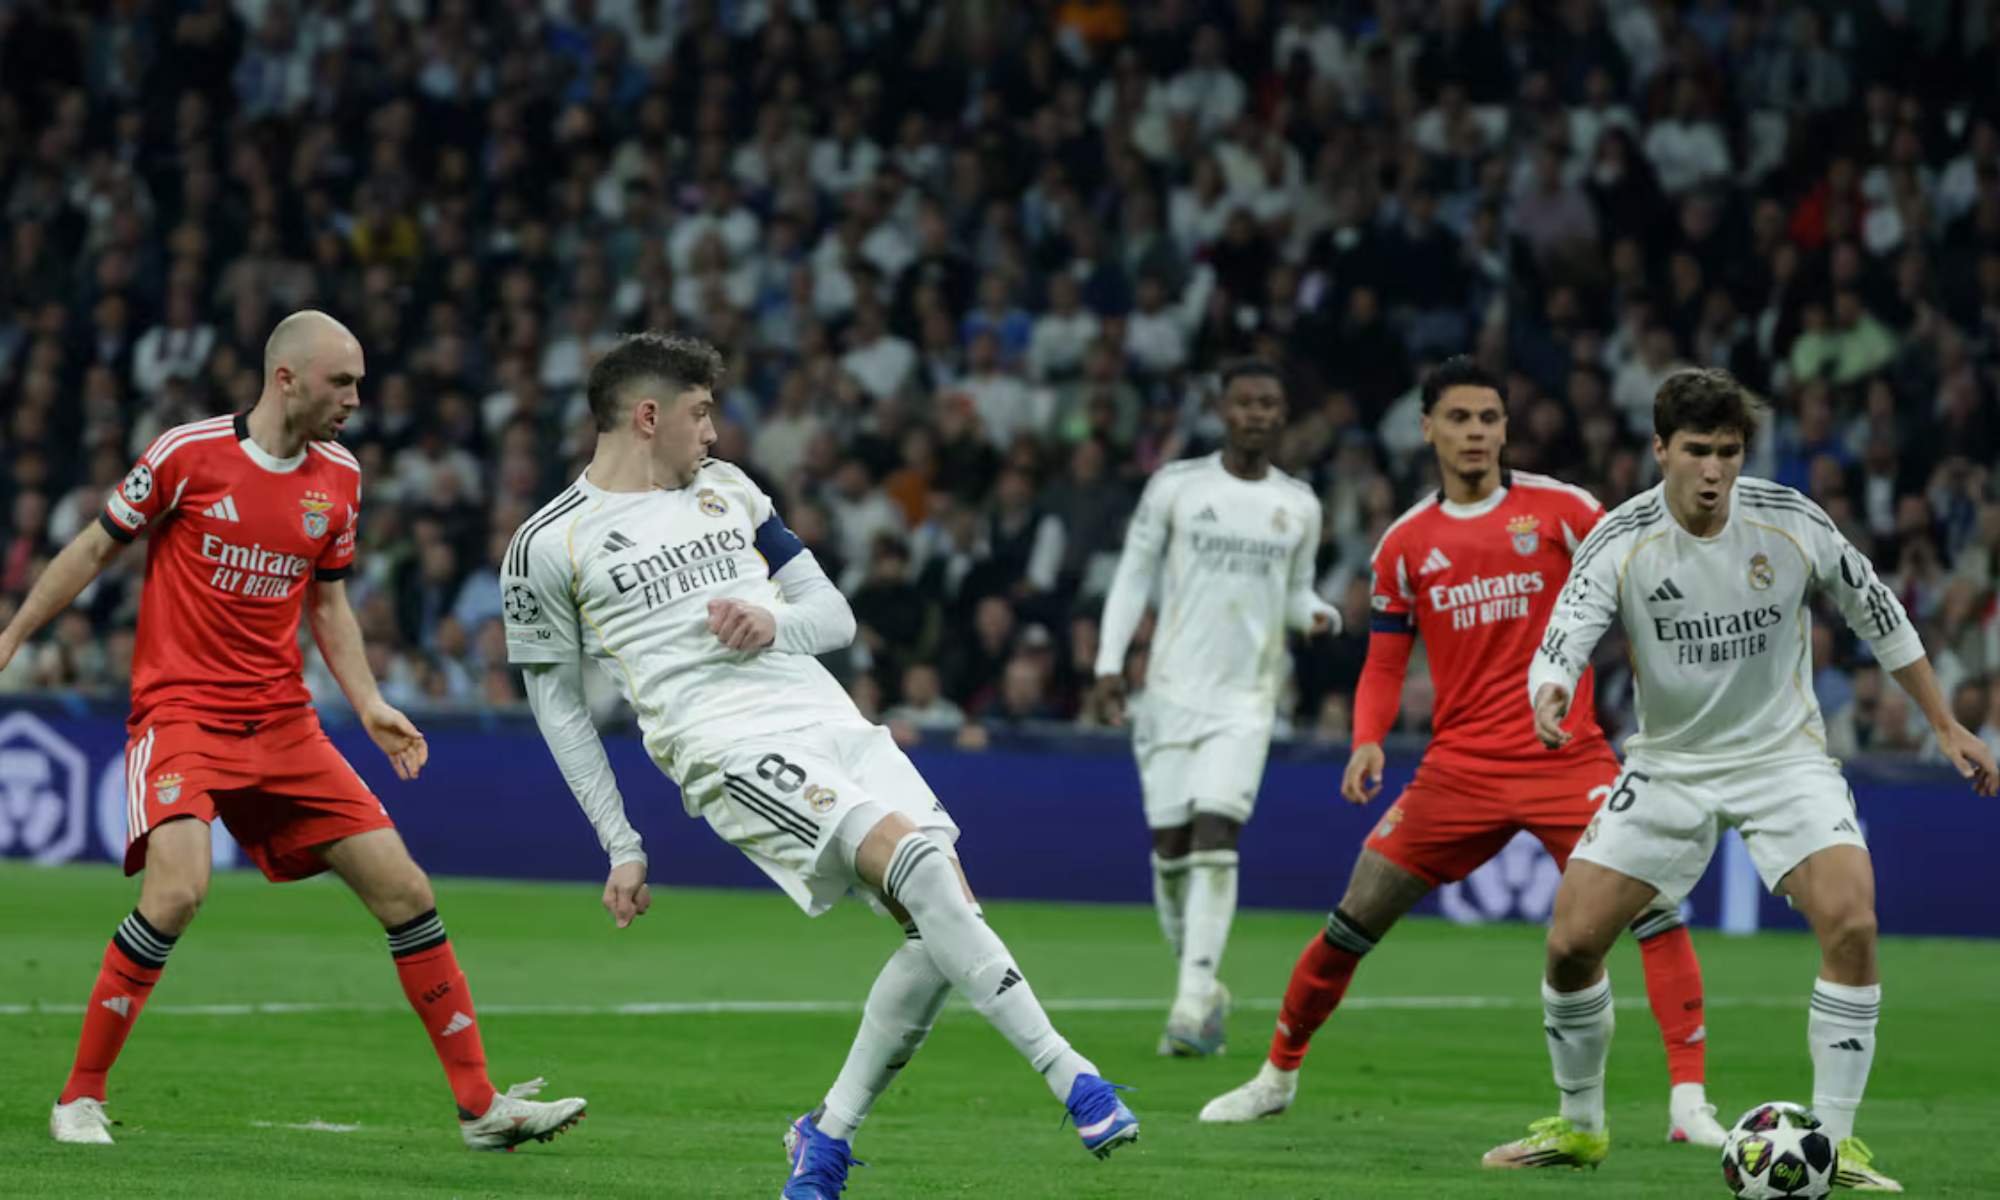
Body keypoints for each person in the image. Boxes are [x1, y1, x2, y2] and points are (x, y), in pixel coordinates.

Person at [502, 332, 1139, 1200]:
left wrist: (776, 625)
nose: (713, 433)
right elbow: (559, 709)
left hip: (833, 721)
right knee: (919, 869)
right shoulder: (549, 542)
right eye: (701, 413)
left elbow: (834, 616)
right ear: (648, 416)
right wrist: (621, 841)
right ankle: (1074, 1078)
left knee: (942, 915)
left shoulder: (730, 490)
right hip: (726, 746)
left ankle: (827, 1134)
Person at [5, 311, 585, 1149]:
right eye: (341, 381)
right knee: (176, 893)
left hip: (284, 722)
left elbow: (329, 600)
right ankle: (79, 1097)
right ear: (286, 379)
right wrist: (14, 635)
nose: (355, 398)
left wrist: (369, 700)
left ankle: (480, 1107)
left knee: (406, 892)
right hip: (182, 715)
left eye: (359, 383)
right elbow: (94, 551)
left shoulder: (340, 478)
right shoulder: (185, 454)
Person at [1484, 367, 1997, 1190]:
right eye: (1698, 450)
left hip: (1783, 759)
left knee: (1853, 922)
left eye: (1729, 451)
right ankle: (1579, 1128)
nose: (1714, 470)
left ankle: (1835, 1145)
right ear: (1661, 449)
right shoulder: (1621, 538)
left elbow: (1877, 611)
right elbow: (1564, 636)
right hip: (1669, 765)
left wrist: (1944, 723)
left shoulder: (1791, 519)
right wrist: (1550, 692)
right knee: (1572, 944)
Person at [1200, 357, 1724, 1148]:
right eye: (1459, 418)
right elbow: (1385, 662)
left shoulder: (1566, 511)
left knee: (1651, 908)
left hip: (1568, 759)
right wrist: (1367, 740)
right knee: (1353, 918)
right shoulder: (1405, 543)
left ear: (1506, 429)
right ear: (1428, 429)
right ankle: (1276, 1077)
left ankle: (1688, 1102)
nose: (1475, 433)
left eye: (1488, 418)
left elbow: (1647, 593)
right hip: (1459, 771)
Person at [1089, 358, 1339, 1056]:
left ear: (1282, 416)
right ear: (1223, 411)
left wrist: (1318, 614)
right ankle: (1202, 988)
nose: (1257, 414)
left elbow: (1295, 594)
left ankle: (1189, 1004)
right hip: (1170, 693)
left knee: (1215, 833)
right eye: (1245, 402)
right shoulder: (1177, 487)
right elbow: (1133, 575)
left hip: (1246, 699)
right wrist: (1109, 664)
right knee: (1171, 853)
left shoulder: (1299, 505)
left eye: (1269, 403)